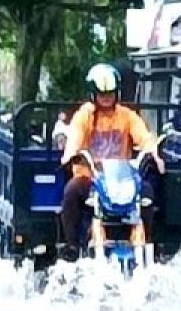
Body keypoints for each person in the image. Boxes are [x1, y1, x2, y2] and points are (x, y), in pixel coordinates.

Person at [59, 63, 165, 262]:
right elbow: (74, 135)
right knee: (71, 191)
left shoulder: (126, 115)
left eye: (110, 93)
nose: (106, 97)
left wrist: (154, 154)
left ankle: (149, 241)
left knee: (148, 192)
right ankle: (72, 245)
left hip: (121, 178)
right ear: (93, 94)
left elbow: (143, 135)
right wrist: (70, 154)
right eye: (101, 93)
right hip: (90, 177)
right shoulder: (85, 115)